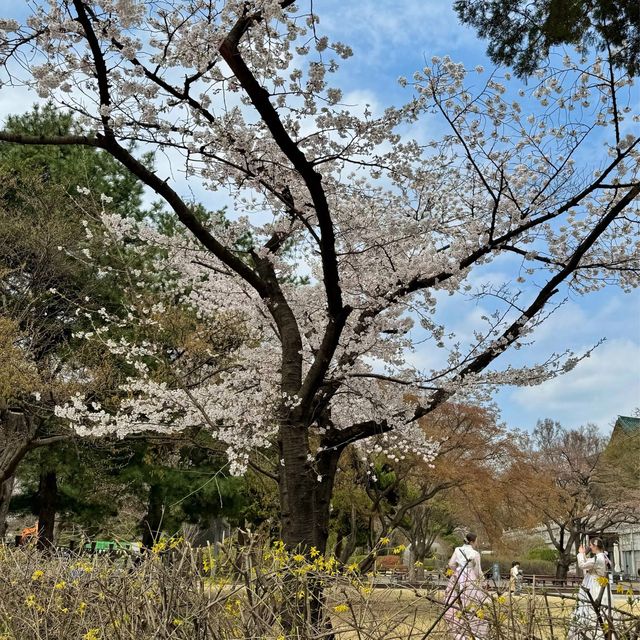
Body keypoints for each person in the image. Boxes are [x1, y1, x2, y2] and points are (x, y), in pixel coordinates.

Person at [444, 532, 488, 639]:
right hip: (470, 577)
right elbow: (478, 571)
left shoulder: (457, 549)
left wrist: (457, 571)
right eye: (476, 541)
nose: (477, 543)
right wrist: (483, 582)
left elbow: (451, 564)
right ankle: (472, 628)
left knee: (456, 599)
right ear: (472, 541)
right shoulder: (475, 554)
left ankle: (458, 627)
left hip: (458, 576)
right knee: (472, 602)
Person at [568, 537, 611, 640]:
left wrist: (580, 553)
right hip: (600, 584)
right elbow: (590, 563)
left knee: (588, 606)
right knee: (600, 608)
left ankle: (590, 632)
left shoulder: (598, 558)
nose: (590, 547)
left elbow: (582, 565)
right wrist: (584, 554)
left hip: (593, 585)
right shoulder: (603, 556)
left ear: (595, 546)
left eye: (591, 545)